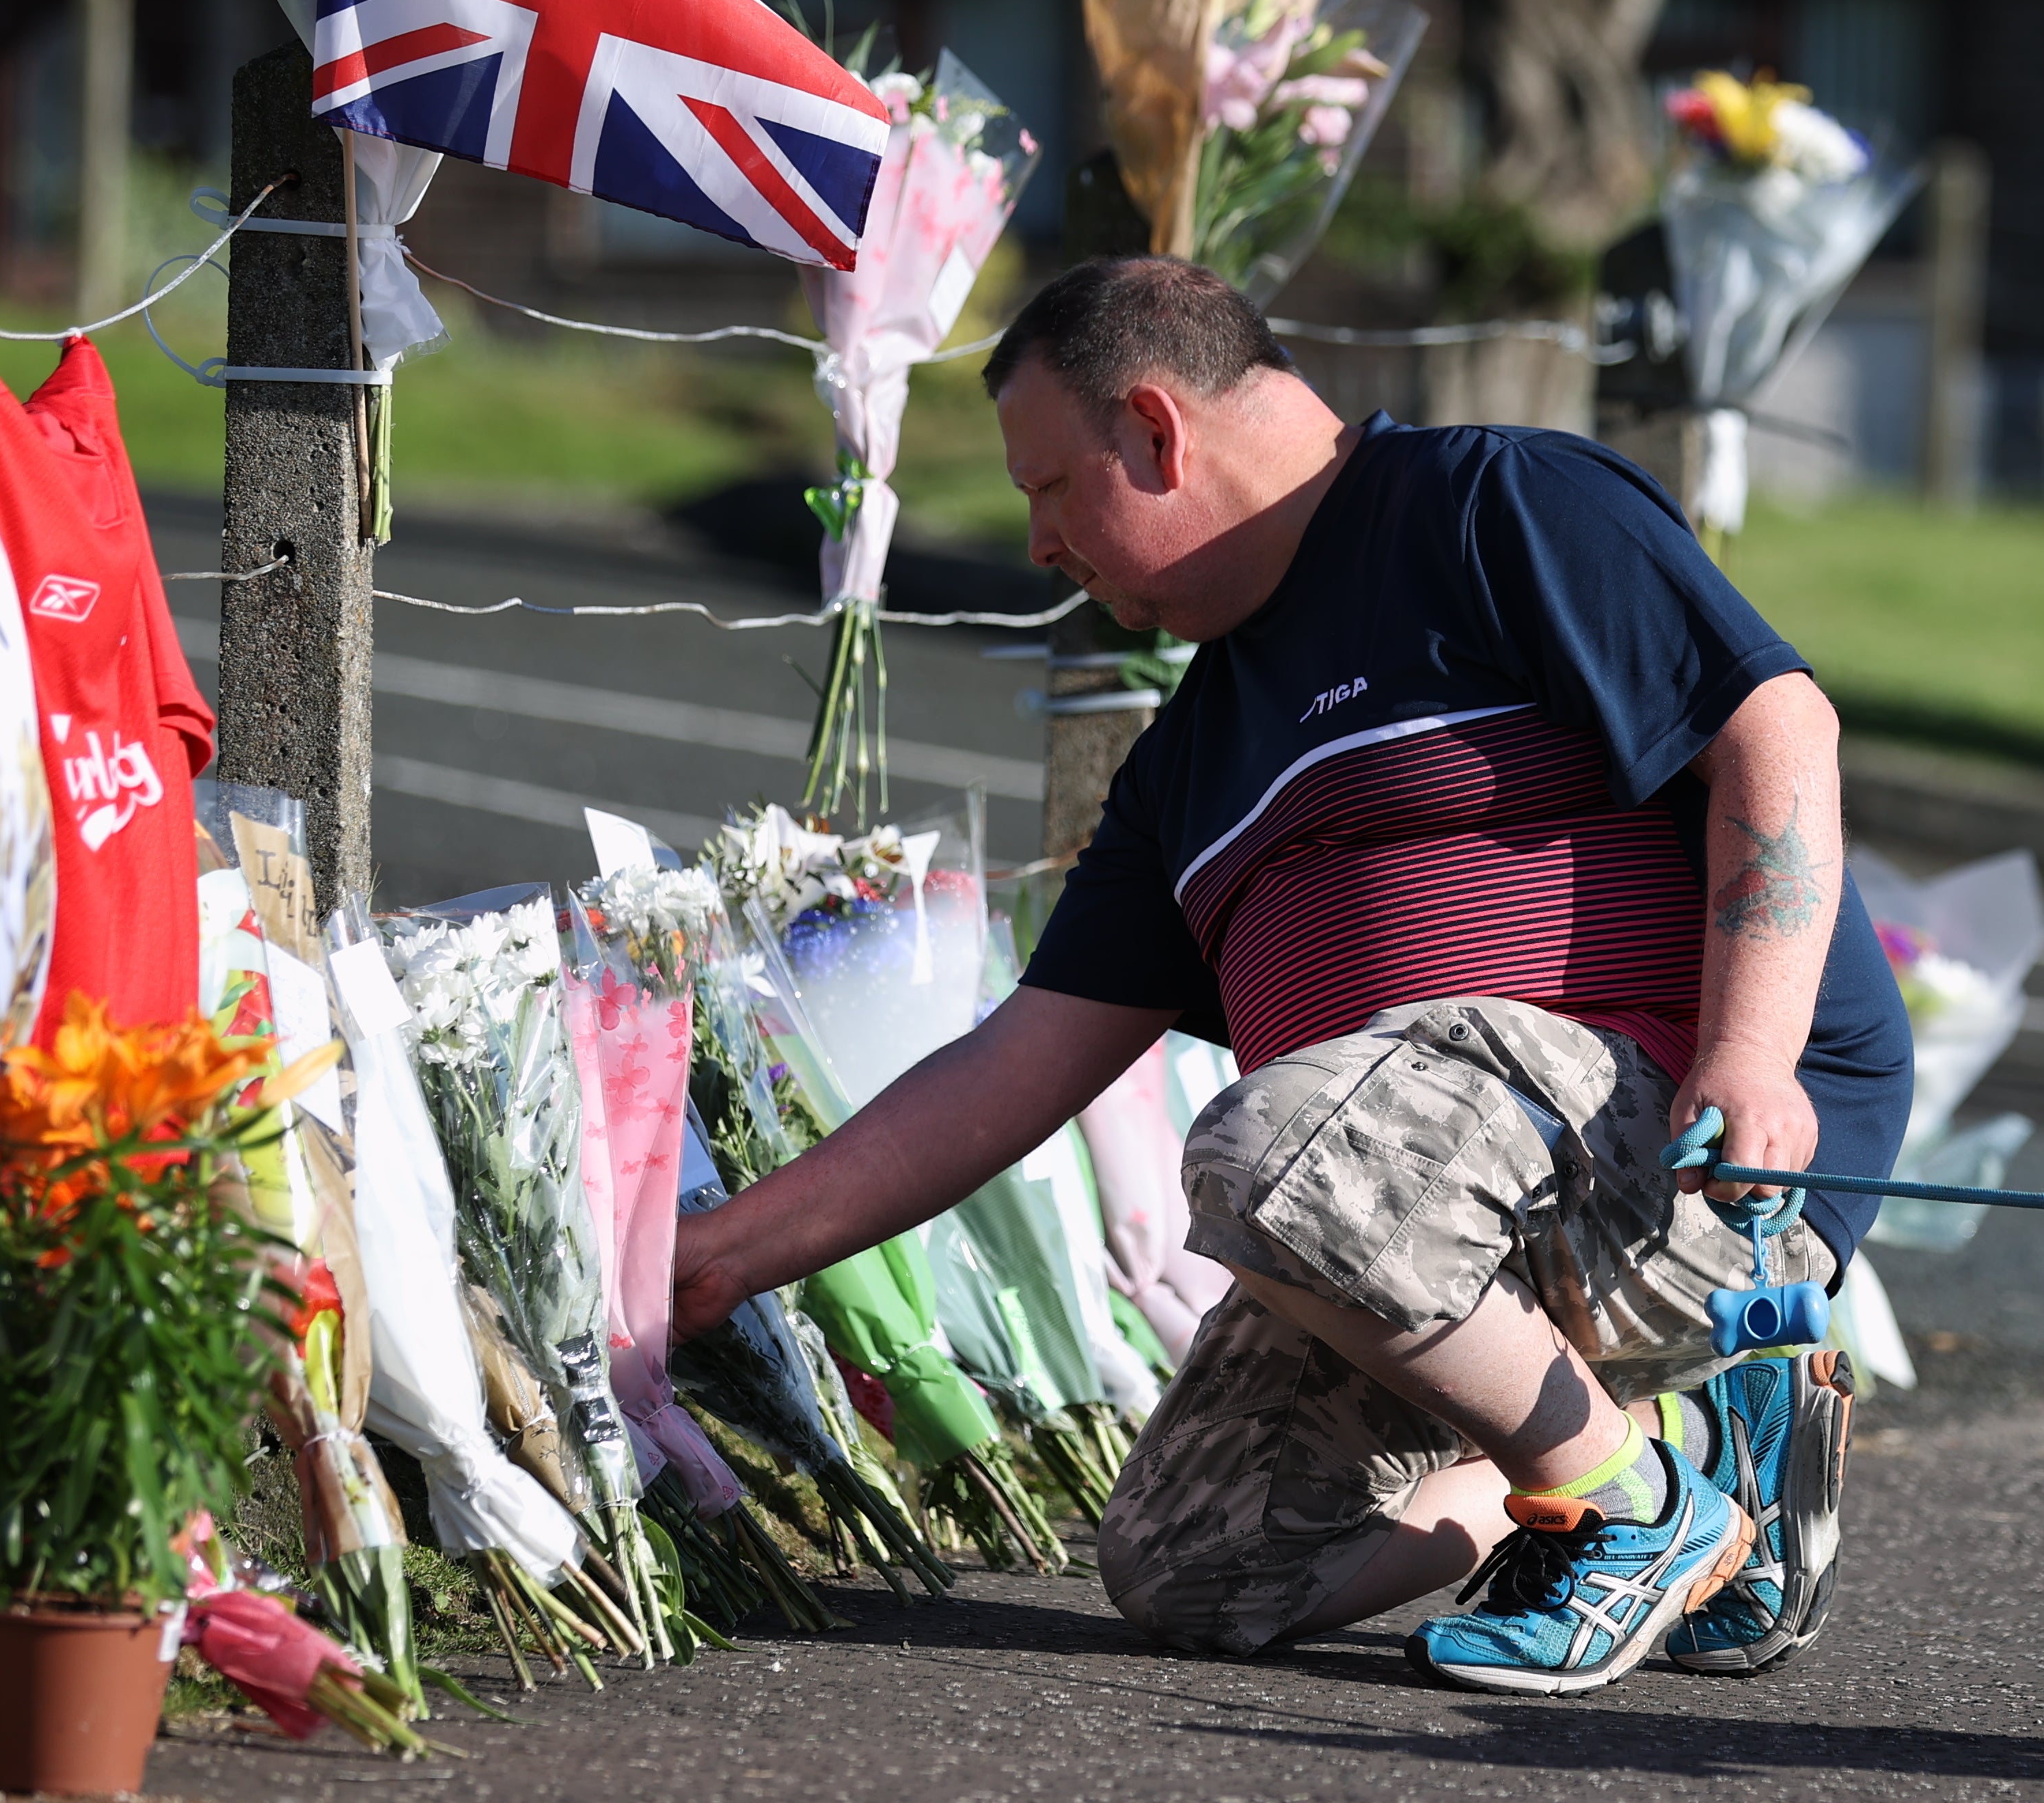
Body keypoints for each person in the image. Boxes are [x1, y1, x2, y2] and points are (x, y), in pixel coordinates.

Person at [669, 255, 1912, 1694]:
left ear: (1154, 429)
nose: (1037, 546)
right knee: (1193, 1562)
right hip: (1418, 1213)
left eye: (1047, 488)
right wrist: (721, 1262)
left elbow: (1782, 731)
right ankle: (1690, 1460)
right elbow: (1017, 1066)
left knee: (1267, 1145)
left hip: (1695, 1167)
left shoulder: (1496, 504)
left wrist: (1755, 1055)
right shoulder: (1186, 762)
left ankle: (1624, 1505)